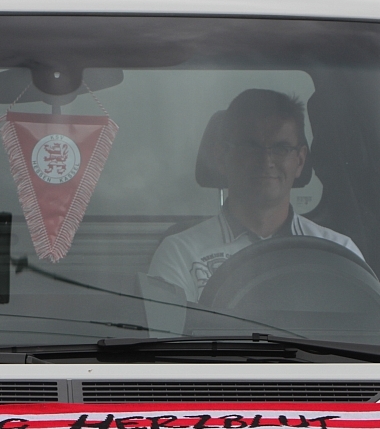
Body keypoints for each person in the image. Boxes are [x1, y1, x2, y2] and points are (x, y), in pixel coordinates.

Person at [148, 89, 363, 303]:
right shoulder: (180, 253)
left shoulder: (339, 252)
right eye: (251, 147)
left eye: (281, 148)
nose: (266, 161)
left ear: (300, 161)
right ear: (221, 157)